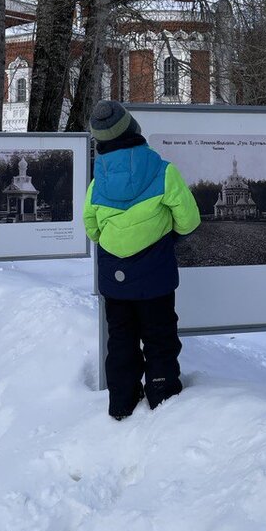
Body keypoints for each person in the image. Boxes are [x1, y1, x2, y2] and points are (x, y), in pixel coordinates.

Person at [84, 100, 201, 420]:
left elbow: (91, 228)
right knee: (159, 334)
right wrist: (166, 236)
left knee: (120, 337)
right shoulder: (164, 171)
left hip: (115, 276)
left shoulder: (97, 183)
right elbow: (189, 221)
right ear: (133, 129)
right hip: (156, 274)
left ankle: (121, 399)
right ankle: (162, 394)